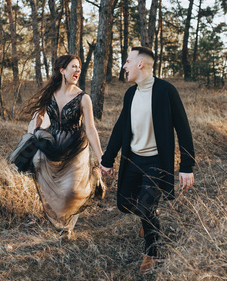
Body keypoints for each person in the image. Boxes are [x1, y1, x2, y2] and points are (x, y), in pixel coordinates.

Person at [99, 46, 195, 274]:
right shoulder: (130, 93)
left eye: (127, 61)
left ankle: (152, 252)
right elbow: (121, 128)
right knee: (124, 203)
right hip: (133, 160)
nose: (124, 66)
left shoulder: (166, 91)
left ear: (140, 64)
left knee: (145, 206)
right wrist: (107, 159)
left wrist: (186, 166)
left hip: (156, 162)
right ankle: (149, 213)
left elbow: (183, 128)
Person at [23, 54, 105, 237]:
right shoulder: (50, 93)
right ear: (62, 71)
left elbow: (91, 129)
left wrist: (101, 157)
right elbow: (39, 115)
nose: (77, 70)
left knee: (72, 191)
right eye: (73, 67)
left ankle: (94, 179)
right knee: (38, 164)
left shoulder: (83, 98)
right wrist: (33, 132)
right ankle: (63, 223)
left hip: (76, 145)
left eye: (79, 67)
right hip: (54, 141)